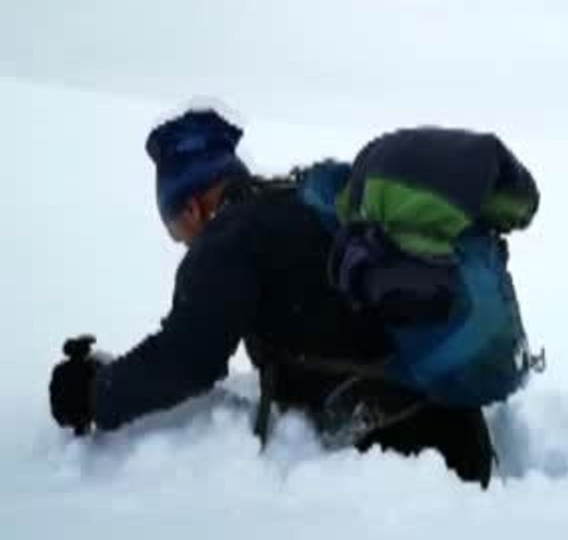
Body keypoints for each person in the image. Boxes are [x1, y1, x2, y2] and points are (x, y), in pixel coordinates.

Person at [47, 107, 495, 487]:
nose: (181, 241)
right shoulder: (300, 199)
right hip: (452, 429)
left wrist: (94, 393)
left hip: (402, 463)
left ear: (193, 205)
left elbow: (187, 359)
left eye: (174, 226)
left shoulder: (228, 240)